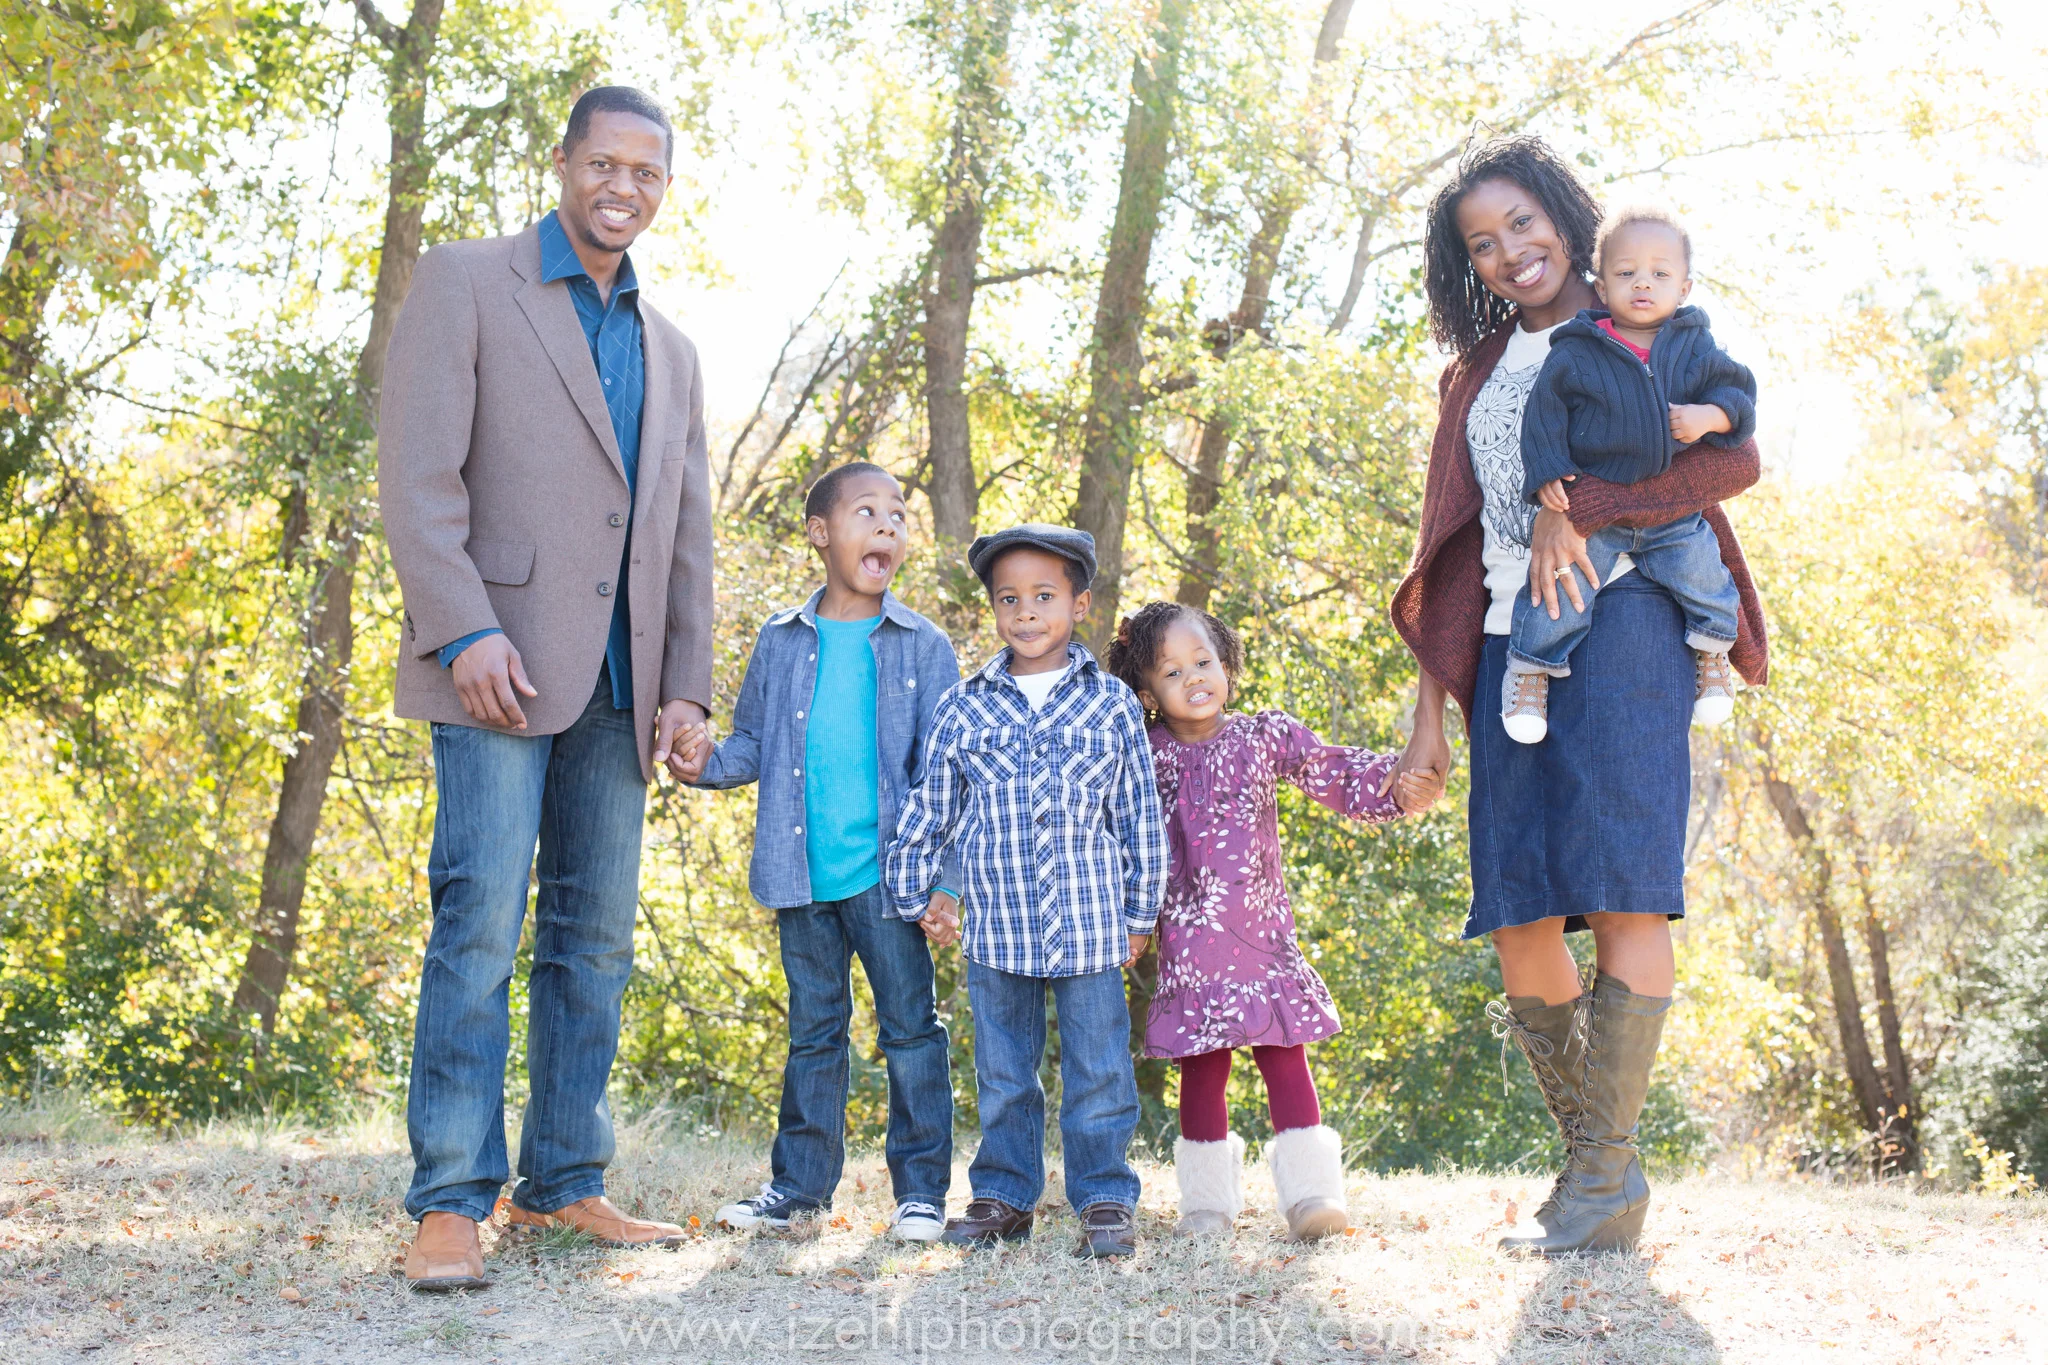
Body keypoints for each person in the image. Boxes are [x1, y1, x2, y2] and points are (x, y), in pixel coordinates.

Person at [1382, 136, 1769, 1258]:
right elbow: (1442, 549)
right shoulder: (1475, 372)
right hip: (1511, 647)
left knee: (1619, 895)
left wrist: (1581, 505)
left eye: (1521, 224)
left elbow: (1729, 460)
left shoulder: (1642, 321)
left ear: (1562, 214)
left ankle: (1599, 1186)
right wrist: (1427, 721)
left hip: (1630, 631)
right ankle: (1598, 1170)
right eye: (1480, 244)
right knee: (1516, 916)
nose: (1508, 252)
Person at [377, 86, 714, 1291]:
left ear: (663, 188)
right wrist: (460, 628)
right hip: (496, 673)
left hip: (625, 687)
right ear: (564, 162)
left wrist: (688, 687)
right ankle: (450, 1201)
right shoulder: (470, 282)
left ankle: (563, 1181)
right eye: (604, 162)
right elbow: (418, 475)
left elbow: (683, 536)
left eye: (647, 171)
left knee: (593, 942)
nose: (623, 185)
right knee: (476, 926)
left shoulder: (671, 350)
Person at [666, 462, 960, 1242]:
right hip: (801, 879)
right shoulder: (781, 640)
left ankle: (921, 1192)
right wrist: (702, 762)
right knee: (815, 1033)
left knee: (909, 1030)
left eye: (899, 514)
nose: (889, 526)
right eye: (868, 512)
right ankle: (797, 1189)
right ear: (821, 533)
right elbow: (752, 745)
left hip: (889, 880)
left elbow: (947, 774)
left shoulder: (924, 646)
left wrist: (946, 882)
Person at [1103, 602, 1444, 1241]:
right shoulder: (1147, 757)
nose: (1193, 678)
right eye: (1172, 672)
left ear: (1226, 664)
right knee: (1203, 1068)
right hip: (1190, 949)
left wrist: (1398, 785)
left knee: (1284, 1056)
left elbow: (1332, 772)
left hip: (1263, 941)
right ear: (1147, 691)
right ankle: (1207, 1206)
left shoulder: (1263, 737)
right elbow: (1124, 840)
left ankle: (1313, 1197)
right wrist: (1129, 919)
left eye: (1203, 662)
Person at [883, 525, 1169, 1258]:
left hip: (1092, 923)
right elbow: (931, 804)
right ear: (994, 608)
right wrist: (914, 890)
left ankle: (1105, 1196)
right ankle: (1005, 1194)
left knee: (1099, 1071)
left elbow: (1137, 812)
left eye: (1044, 596)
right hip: (999, 929)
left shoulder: (1110, 705)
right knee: (1006, 1073)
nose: (1026, 612)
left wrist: (1142, 911)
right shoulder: (963, 706)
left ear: (1078, 603)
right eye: (1009, 598)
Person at [1502, 205, 1759, 742]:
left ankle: (1712, 655)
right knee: (1560, 587)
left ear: (1684, 287)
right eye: (1626, 273)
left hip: (1671, 514)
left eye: (1660, 274)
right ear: (1601, 284)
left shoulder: (1695, 346)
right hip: (1593, 516)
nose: (1643, 283)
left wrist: (1710, 416)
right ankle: (1529, 671)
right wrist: (1547, 472)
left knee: (1704, 575)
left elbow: (1739, 395)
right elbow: (1543, 416)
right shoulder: (1577, 348)